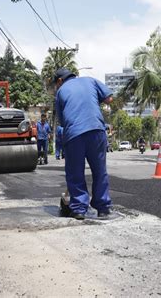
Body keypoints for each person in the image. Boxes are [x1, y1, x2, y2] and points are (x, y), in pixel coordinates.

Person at [54, 68, 113, 220]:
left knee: (75, 172)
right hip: (96, 130)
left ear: (60, 81)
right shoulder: (90, 80)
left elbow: (62, 121)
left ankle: (80, 209)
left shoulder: (61, 91)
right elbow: (109, 99)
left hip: (74, 135)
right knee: (100, 171)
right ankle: (103, 208)